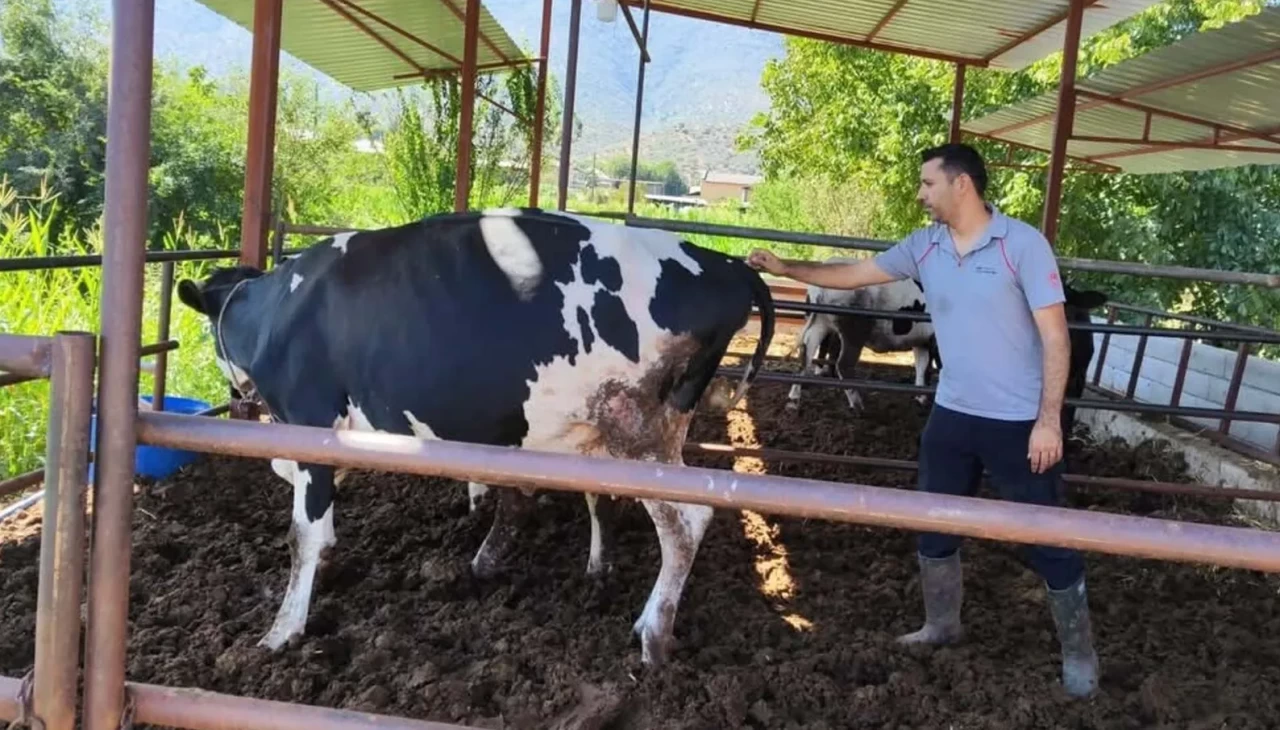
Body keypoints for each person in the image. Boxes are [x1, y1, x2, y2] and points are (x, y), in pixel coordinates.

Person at [746, 143, 1099, 698]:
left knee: (1046, 533)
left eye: (927, 184)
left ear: (962, 185)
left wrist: (1049, 421)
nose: (919, 194)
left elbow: (1057, 338)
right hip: (951, 414)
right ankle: (942, 624)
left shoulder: (1023, 246)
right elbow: (854, 273)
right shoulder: (925, 246)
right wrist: (788, 267)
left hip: (1017, 421)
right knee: (933, 521)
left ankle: (1079, 655)